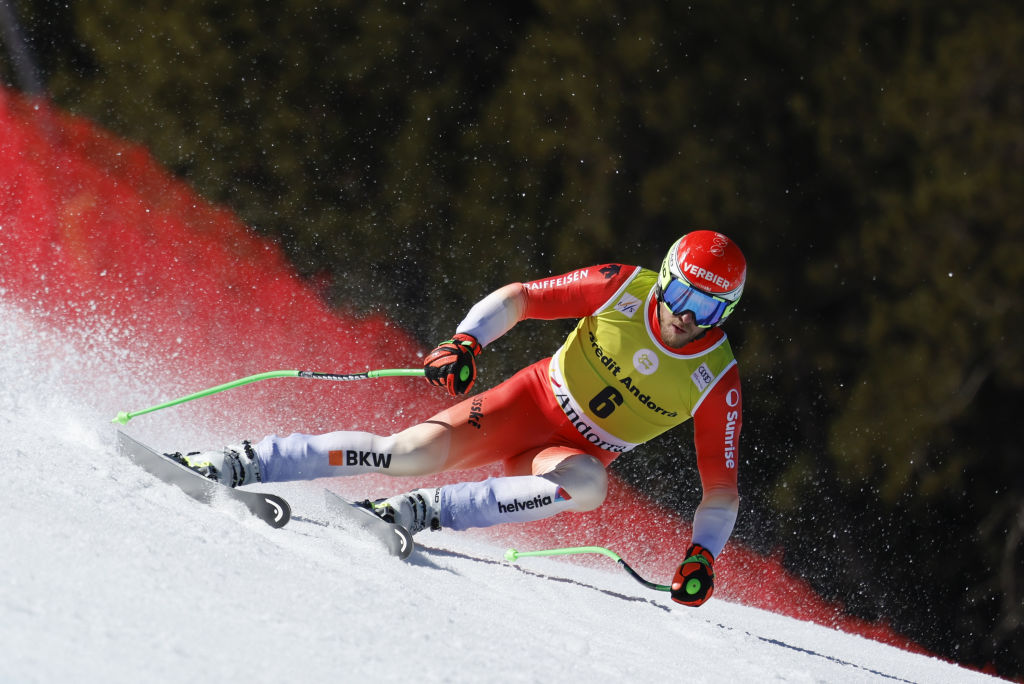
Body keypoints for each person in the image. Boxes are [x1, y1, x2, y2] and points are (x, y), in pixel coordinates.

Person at [180, 230, 745, 607]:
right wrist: (467, 341)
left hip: (563, 455)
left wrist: (703, 553)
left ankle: (421, 512)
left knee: (589, 485)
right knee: (404, 454)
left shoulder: (716, 378)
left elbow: (721, 489)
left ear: (727, 313)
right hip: (525, 406)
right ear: (665, 276)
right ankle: (239, 461)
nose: (685, 317)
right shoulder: (623, 287)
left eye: (709, 309)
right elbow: (522, 297)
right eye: (680, 294)